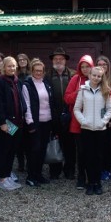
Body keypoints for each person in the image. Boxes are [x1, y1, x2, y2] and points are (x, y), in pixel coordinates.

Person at [73, 66, 111, 195]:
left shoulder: (105, 91)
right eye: (94, 75)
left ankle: (98, 183)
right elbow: (76, 109)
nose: (96, 78)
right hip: (87, 129)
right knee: (88, 157)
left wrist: (103, 121)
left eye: (99, 76)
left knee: (99, 156)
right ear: (90, 75)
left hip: (101, 129)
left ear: (102, 77)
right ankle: (90, 183)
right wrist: (83, 121)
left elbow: (110, 109)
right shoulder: (83, 90)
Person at [0, 56, 25, 191]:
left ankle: (7, 174)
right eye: (9, 66)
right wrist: (2, 122)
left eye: (13, 66)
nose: (11, 68)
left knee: (12, 150)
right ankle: (2, 177)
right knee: (4, 150)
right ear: (3, 68)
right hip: (7, 123)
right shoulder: (1, 82)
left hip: (17, 122)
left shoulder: (17, 81)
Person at [22, 58, 55, 187]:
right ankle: (31, 176)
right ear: (32, 71)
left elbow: (49, 103)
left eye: (41, 71)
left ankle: (38, 174)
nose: (38, 73)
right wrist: (30, 123)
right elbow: (27, 105)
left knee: (42, 150)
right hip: (34, 123)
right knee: (33, 150)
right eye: (36, 71)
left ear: (44, 72)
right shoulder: (27, 85)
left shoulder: (46, 83)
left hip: (47, 122)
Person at [64, 54, 94, 189]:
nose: (85, 69)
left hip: (94, 121)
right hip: (78, 121)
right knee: (81, 151)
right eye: (83, 66)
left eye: (87, 66)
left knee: (92, 150)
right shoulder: (75, 79)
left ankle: (92, 177)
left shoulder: (97, 78)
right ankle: (81, 177)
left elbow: (108, 95)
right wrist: (78, 92)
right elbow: (67, 98)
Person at [45, 47, 75, 179]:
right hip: (53, 115)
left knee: (69, 145)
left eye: (61, 58)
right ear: (52, 60)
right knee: (54, 142)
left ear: (65, 60)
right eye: (56, 58)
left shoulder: (73, 74)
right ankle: (55, 170)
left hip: (70, 115)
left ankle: (69, 170)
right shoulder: (46, 76)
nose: (58, 60)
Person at [96, 55, 111, 181]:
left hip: (107, 119)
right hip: (95, 119)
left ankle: (106, 170)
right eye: (100, 64)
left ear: (108, 66)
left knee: (106, 146)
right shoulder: (95, 78)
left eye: (105, 64)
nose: (102, 67)